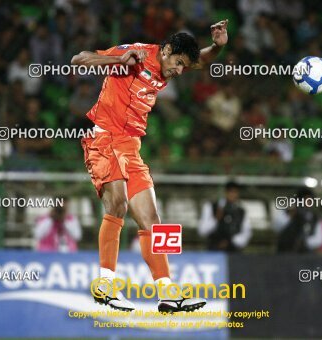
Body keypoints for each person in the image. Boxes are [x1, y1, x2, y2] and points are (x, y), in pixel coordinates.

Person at [71, 20, 229, 313]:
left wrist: (218, 46)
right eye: (178, 64)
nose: (179, 71)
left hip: (131, 146)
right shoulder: (135, 54)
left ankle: (167, 293)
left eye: (183, 66)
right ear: (166, 50)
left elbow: (202, 60)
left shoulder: (171, 64)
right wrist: (118, 59)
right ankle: (105, 286)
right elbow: (79, 60)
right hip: (104, 137)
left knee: (153, 220)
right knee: (117, 204)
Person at [198, 181, 252, 252]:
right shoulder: (211, 206)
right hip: (213, 251)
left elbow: (246, 233)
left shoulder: (241, 211)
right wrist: (215, 219)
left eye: (235, 192)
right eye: (231, 192)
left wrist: (231, 241)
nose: (233, 195)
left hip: (234, 253)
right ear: (225, 192)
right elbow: (202, 231)